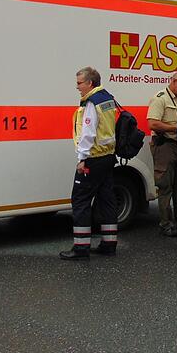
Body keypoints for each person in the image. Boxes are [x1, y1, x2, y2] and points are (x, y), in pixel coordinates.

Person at [60, 66, 118, 261]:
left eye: (79, 83)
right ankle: (109, 244)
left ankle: (81, 248)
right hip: (108, 157)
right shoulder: (107, 98)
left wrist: (81, 159)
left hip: (92, 159)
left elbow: (88, 133)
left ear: (90, 83)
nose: (77, 87)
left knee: (80, 201)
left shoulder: (92, 102)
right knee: (107, 200)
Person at [147, 71, 177, 237]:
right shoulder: (161, 98)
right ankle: (166, 223)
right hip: (164, 146)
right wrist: (175, 128)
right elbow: (152, 123)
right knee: (165, 186)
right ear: (173, 81)